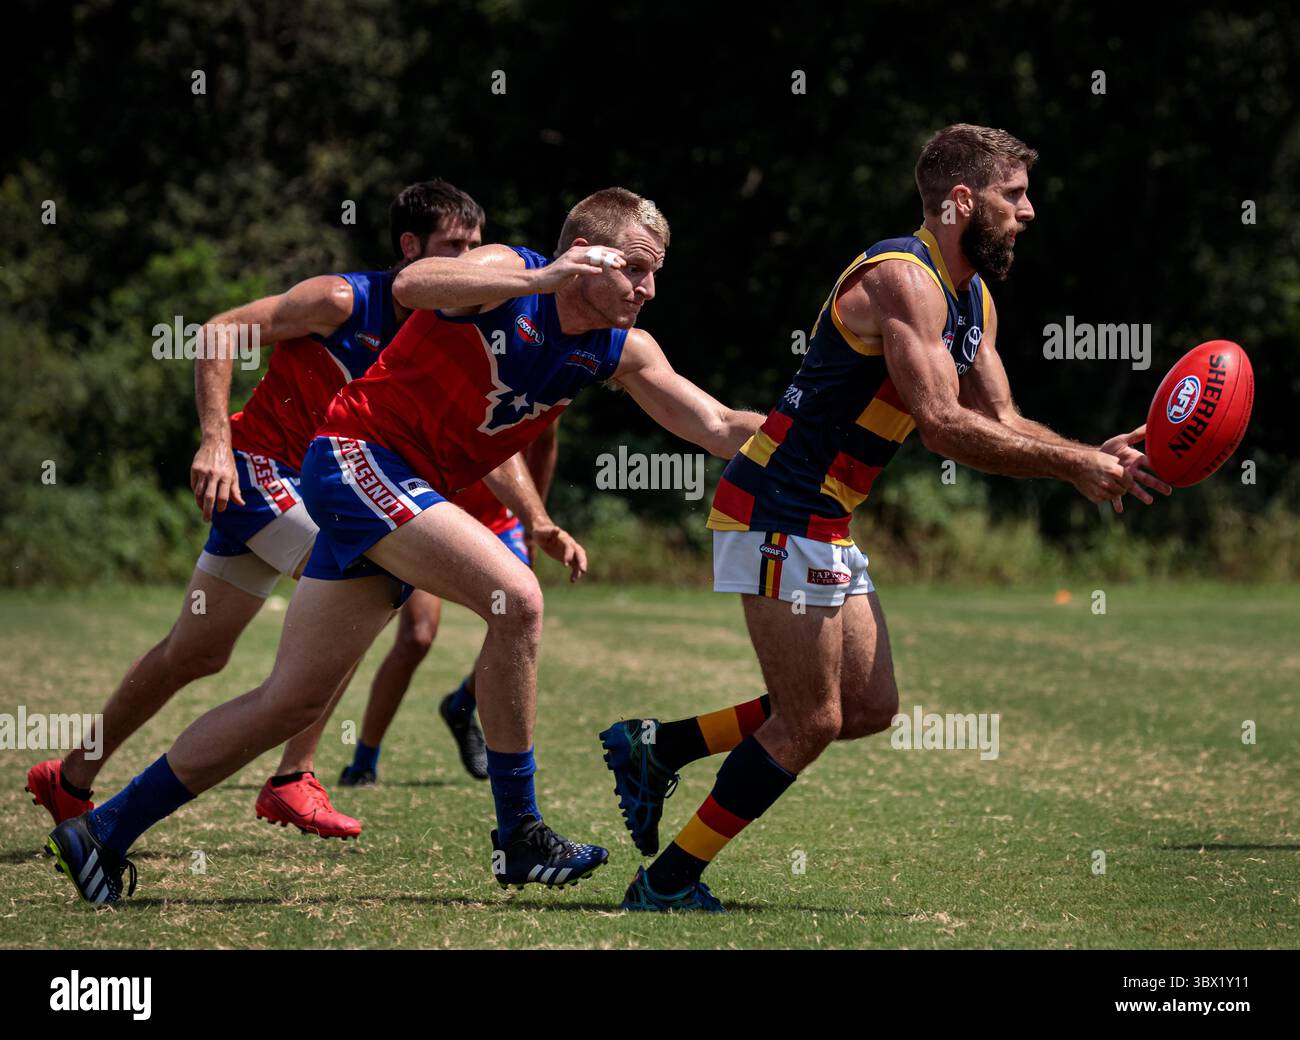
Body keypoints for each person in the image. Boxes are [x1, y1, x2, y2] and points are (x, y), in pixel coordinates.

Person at [45, 187, 766, 902]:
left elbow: (718, 425)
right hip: (358, 459)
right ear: (586, 255)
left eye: (656, 273)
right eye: (635, 268)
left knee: (287, 703)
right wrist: (541, 277)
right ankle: (520, 835)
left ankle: (102, 831)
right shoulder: (508, 276)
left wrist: (816, 431)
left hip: (391, 491)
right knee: (516, 601)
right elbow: (417, 284)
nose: (647, 289)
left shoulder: (621, 349)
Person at [601, 124, 1172, 911]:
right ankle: (666, 883)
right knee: (811, 718)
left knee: (866, 708)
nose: (1029, 212)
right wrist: (1073, 467)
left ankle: (662, 745)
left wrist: (1083, 450)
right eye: (1014, 195)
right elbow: (941, 423)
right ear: (961, 200)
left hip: (824, 516)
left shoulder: (975, 299)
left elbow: (1000, 415)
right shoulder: (905, 278)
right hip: (778, 504)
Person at [26, 180, 492, 841]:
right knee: (365, 582)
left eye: (477, 247)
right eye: (454, 246)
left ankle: (68, 779)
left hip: (315, 494)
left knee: (195, 654)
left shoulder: (450, 327)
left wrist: (533, 516)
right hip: (257, 472)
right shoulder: (342, 300)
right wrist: (215, 438)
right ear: (409, 246)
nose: (468, 261)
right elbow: (218, 333)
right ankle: (290, 779)